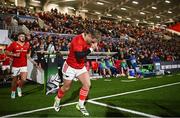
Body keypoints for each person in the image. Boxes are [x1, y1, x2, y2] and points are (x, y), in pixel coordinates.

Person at [53, 28, 100, 116]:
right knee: (66, 87)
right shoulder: (77, 40)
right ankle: (57, 99)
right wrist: (91, 49)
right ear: (88, 35)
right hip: (70, 67)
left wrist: (93, 46)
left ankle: (80, 105)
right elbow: (79, 56)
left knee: (87, 85)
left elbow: (85, 53)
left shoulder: (89, 39)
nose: (93, 42)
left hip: (80, 66)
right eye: (92, 40)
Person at [6, 32, 31, 99]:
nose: (23, 37)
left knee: (24, 79)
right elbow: (6, 52)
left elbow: (29, 50)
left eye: (23, 36)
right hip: (15, 65)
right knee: (14, 80)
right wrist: (14, 55)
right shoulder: (13, 44)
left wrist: (28, 55)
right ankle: (13, 92)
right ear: (18, 37)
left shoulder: (27, 44)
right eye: (21, 36)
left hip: (24, 65)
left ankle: (19, 88)